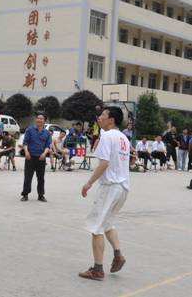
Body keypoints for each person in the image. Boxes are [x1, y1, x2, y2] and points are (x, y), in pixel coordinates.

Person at [79, 106, 129, 281]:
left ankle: (98, 269)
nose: (99, 117)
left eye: (103, 115)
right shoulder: (124, 137)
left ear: (111, 120)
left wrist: (88, 183)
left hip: (110, 187)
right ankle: (118, 255)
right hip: (123, 187)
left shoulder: (107, 136)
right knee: (108, 223)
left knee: (96, 227)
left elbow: (104, 163)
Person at [21, 113, 51, 202]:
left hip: (41, 158)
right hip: (30, 157)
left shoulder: (47, 133)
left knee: (41, 178)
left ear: (44, 121)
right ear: (36, 120)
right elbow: (25, 142)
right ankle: (25, 194)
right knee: (28, 177)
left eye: (41, 119)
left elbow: (48, 145)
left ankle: (41, 195)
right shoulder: (30, 130)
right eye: (38, 118)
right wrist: (26, 152)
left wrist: (44, 154)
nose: (39, 120)